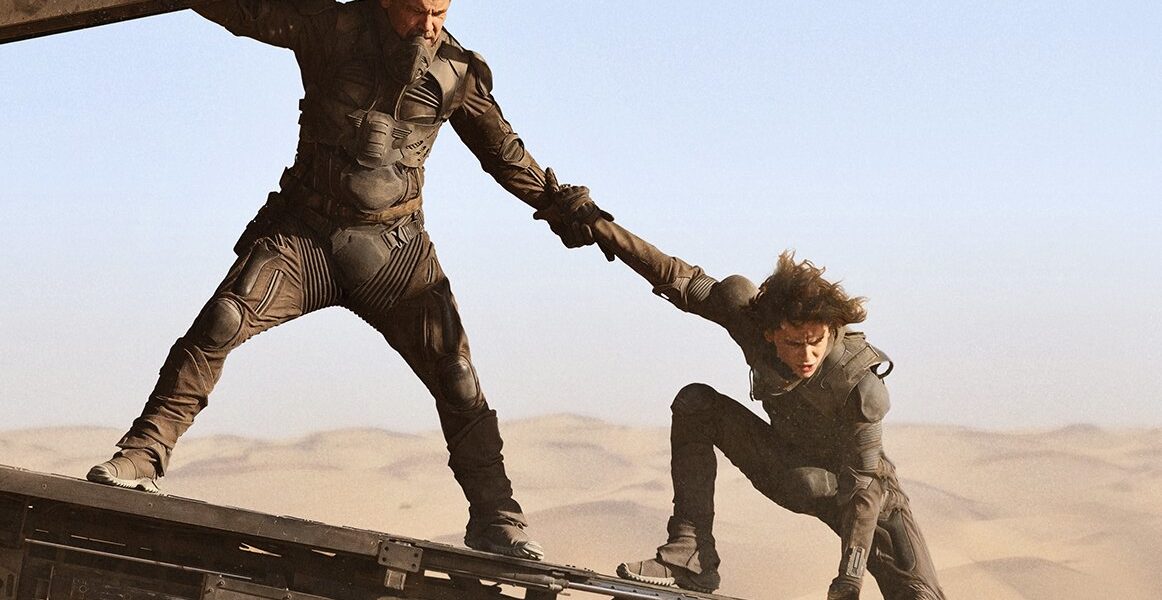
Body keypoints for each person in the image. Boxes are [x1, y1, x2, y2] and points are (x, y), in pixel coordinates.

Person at [86, 0, 594, 562]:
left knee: (456, 375)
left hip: (395, 254)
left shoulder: (457, 72)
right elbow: (246, 11)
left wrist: (558, 205)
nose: (430, 26)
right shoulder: (330, 30)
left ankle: (497, 516)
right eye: (419, 12)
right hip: (306, 238)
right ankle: (144, 452)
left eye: (440, 13)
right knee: (223, 320)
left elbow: (503, 152)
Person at [533, 187, 946, 598]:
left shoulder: (858, 384)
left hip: (864, 498)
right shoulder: (749, 318)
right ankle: (690, 554)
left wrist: (849, 578)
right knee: (696, 404)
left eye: (816, 342)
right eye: (794, 343)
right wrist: (601, 226)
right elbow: (676, 277)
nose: (807, 355)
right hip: (787, 468)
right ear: (769, 332)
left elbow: (862, 488)